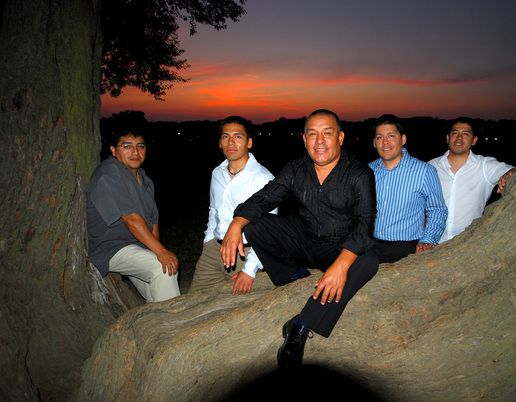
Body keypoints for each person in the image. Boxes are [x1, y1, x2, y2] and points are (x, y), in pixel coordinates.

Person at [220, 109, 378, 368]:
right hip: (305, 240)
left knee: (368, 260)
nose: (319, 141)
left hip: (339, 248)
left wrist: (342, 264)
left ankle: (301, 324)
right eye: (312, 134)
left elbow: (365, 222)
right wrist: (236, 223)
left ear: (340, 138)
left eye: (327, 133)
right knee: (255, 223)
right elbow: (266, 197)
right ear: (304, 140)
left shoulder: (359, 173)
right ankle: (294, 275)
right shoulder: (296, 168)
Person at [86, 128, 180, 302]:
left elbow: (153, 223)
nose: (135, 152)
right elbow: (131, 220)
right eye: (127, 146)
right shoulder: (109, 173)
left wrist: (156, 250)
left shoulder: (146, 180)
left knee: (160, 286)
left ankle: (160, 316)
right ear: (113, 150)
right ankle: (173, 319)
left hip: (137, 245)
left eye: (140, 146)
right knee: (162, 268)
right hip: (111, 248)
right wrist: (161, 252)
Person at [188, 116, 275, 295]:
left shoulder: (263, 179)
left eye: (238, 136)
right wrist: (208, 241)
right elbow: (214, 210)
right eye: (225, 136)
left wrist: (250, 269)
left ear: (249, 142)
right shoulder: (217, 173)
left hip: (245, 254)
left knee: (234, 306)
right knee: (193, 299)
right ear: (220, 142)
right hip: (213, 250)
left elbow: (271, 229)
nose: (231, 142)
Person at [369, 114, 447, 263]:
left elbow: (437, 209)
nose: (385, 142)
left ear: (403, 139)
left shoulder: (424, 171)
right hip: (371, 246)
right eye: (379, 137)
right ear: (374, 143)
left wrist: (428, 239)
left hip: (407, 248)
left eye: (391, 136)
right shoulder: (368, 171)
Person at [429, 117, 516, 242]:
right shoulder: (431, 167)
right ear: (448, 138)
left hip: (469, 242)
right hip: (432, 243)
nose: (459, 138)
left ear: (474, 140)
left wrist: (509, 173)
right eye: (455, 133)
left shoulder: (484, 166)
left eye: (465, 134)